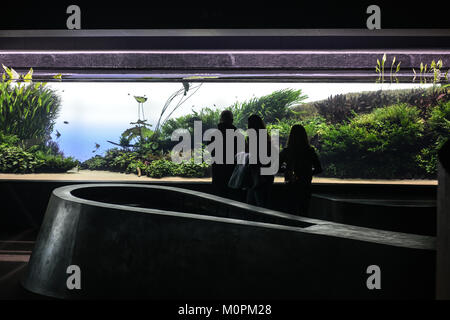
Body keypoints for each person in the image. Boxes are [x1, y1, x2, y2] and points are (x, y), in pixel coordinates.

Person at [280, 124, 322, 215]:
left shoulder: (286, 151)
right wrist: (307, 173)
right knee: (304, 210)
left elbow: (276, 167)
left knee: (290, 210)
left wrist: (287, 170)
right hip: (305, 184)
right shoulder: (310, 151)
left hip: (290, 184)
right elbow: (319, 169)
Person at [246, 114, 275, 207]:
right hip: (266, 174)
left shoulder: (252, 139)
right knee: (263, 202)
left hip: (256, 174)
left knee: (253, 202)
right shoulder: (266, 139)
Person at [211, 110, 238, 198]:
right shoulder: (236, 134)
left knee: (219, 194)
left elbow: (212, 152)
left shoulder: (214, 134)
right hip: (231, 169)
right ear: (231, 120)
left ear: (221, 119)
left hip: (218, 169)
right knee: (232, 195)